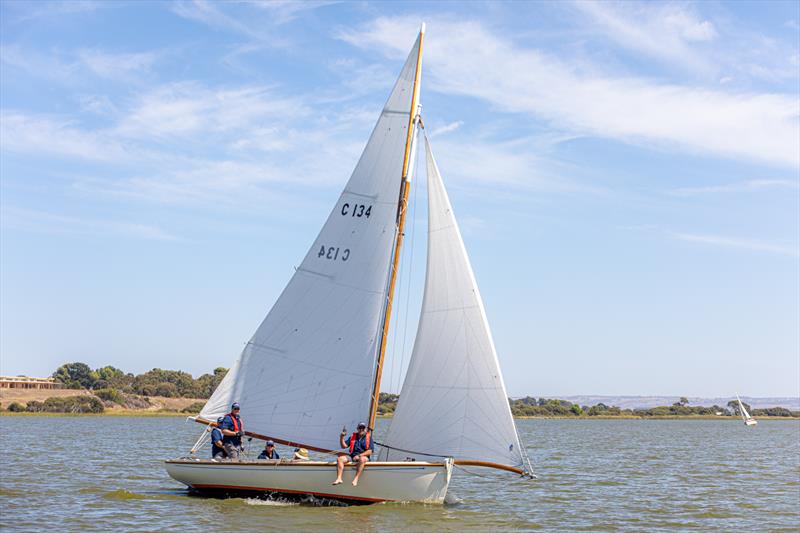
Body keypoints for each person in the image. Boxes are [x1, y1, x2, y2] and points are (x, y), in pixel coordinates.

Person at [332, 422, 373, 487]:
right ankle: (339, 478)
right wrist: (341, 437)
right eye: (360, 428)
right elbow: (344, 446)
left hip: (364, 457)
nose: (361, 429)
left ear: (365, 429)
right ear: (357, 429)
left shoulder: (368, 437)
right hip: (352, 456)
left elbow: (370, 451)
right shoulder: (353, 436)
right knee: (340, 459)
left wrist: (359, 456)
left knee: (362, 459)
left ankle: (356, 479)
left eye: (363, 428)